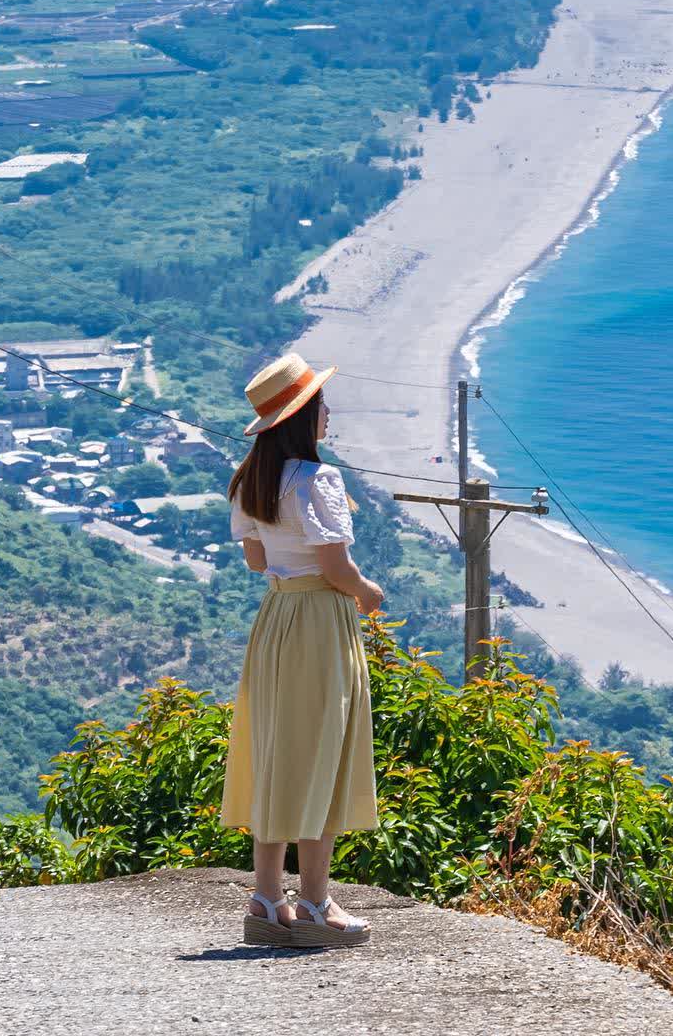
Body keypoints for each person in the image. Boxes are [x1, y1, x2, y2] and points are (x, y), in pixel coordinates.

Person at [219, 350, 382, 949]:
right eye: (321, 405)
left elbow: (258, 560)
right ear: (302, 416)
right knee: (324, 754)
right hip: (321, 619)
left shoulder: (250, 483)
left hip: (277, 618)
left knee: (276, 751)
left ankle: (267, 898)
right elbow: (338, 568)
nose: (328, 414)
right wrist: (369, 594)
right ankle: (315, 902)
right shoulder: (319, 481)